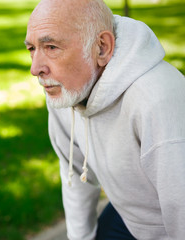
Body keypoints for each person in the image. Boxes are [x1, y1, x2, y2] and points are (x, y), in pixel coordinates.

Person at [24, 0, 185, 239]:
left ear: (101, 48)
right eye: (31, 49)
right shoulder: (64, 91)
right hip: (130, 215)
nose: (35, 68)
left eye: (51, 47)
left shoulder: (157, 100)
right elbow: (75, 172)